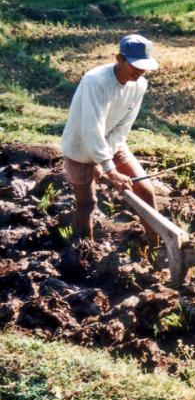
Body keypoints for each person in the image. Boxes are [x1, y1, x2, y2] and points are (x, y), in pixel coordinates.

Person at [60, 34, 160, 245]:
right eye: (135, 65)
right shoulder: (95, 80)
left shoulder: (140, 84)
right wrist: (109, 169)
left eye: (144, 66)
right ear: (119, 58)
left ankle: (156, 245)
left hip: (113, 144)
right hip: (79, 146)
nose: (140, 71)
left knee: (145, 189)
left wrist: (105, 161)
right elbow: (91, 128)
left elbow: (124, 125)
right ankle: (83, 251)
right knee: (87, 203)